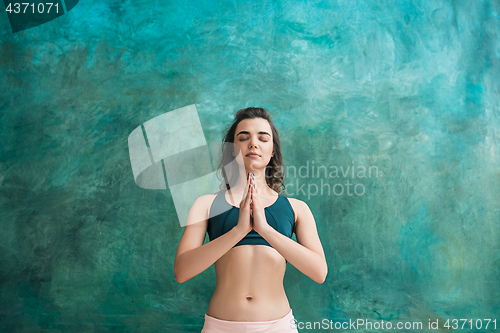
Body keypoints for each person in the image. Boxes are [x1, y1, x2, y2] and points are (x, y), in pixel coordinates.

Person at [174, 107, 328, 333]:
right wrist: (238, 231)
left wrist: (265, 229)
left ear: (272, 150)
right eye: (243, 138)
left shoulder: (297, 208)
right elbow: (182, 271)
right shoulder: (205, 205)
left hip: (279, 326)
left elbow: (319, 272)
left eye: (262, 138)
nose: (253, 144)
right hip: (220, 326)